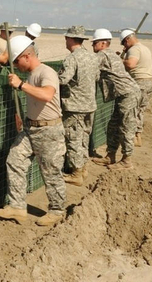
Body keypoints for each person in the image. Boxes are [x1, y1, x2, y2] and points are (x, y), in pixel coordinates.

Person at [0, 35, 66, 226]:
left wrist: (21, 85)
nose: (16, 66)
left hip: (49, 131)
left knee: (50, 171)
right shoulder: (32, 74)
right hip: (31, 128)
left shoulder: (46, 72)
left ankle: (57, 210)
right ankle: (17, 207)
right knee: (14, 160)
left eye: (16, 61)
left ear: (26, 56)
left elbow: (47, 95)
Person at [91, 29, 140, 170]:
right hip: (124, 94)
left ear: (102, 43)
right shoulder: (112, 54)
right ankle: (110, 155)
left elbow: (88, 66)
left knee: (126, 127)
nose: (93, 45)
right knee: (113, 125)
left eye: (94, 43)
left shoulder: (102, 55)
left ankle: (127, 160)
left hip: (127, 94)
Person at [58, 26, 99, 186]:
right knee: (84, 139)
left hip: (75, 106)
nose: (65, 41)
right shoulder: (91, 57)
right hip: (90, 105)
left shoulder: (72, 59)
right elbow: (96, 77)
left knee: (73, 139)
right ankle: (83, 168)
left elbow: (62, 80)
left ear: (71, 39)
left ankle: (76, 174)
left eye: (66, 38)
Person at [119, 29, 152, 147]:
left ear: (128, 39)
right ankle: (138, 135)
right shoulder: (144, 48)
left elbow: (131, 64)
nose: (124, 45)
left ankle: (134, 137)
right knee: (140, 110)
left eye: (124, 42)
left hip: (140, 82)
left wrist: (120, 60)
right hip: (149, 81)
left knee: (134, 110)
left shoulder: (134, 49)